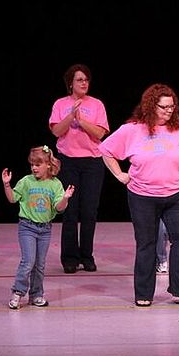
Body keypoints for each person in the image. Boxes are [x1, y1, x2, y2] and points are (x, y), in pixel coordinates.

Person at [99, 83, 179, 307]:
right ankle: (144, 293)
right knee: (146, 243)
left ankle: (178, 288)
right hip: (143, 196)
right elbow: (106, 150)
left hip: (177, 195)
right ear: (151, 106)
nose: (169, 110)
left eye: (172, 106)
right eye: (164, 106)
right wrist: (120, 174)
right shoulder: (132, 130)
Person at [49, 63, 110, 274]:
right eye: (79, 80)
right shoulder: (60, 104)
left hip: (92, 163)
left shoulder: (97, 105)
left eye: (86, 80)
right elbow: (57, 131)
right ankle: (69, 258)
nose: (84, 83)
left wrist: (81, 121)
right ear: (70, 83)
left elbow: (100, 134)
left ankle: (87, 256)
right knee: (70, 211)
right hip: (68, 162)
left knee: (89, 210)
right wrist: (70, 116)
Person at [2, 145, 75, 309]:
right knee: (28, 262)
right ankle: (18, 293)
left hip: (45, 230)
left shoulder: (55, 184)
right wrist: (7, 185)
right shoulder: (26, 181)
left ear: (48, 165)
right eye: (32, 164)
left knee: (40, 265)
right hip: (27, 227)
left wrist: (65, 198)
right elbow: (13, 199)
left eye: (38, 164)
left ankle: (36, 295)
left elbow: (59, 208)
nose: (34, 168)